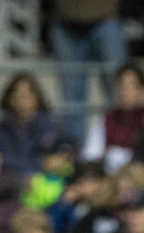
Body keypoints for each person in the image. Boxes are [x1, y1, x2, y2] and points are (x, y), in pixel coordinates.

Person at [46, 0, 127, 146]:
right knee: (71, 94)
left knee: (118, 88)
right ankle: (74, 148)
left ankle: (121, 142)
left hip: (106, 18)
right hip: (65, 21)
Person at [0, 72, 64, 177]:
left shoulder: (50, 127)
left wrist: (4, 161)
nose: (20, 102)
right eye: (15, 96)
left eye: (25, 96)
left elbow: (54, 163)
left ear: (37, 98)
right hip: (6, 183)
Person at [84, 61, 144, 173]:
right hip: (108, 176)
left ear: (142, 90)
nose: (125, 91)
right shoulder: (106, 119)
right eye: (122, 85)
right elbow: (91, 155)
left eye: (131, 86)